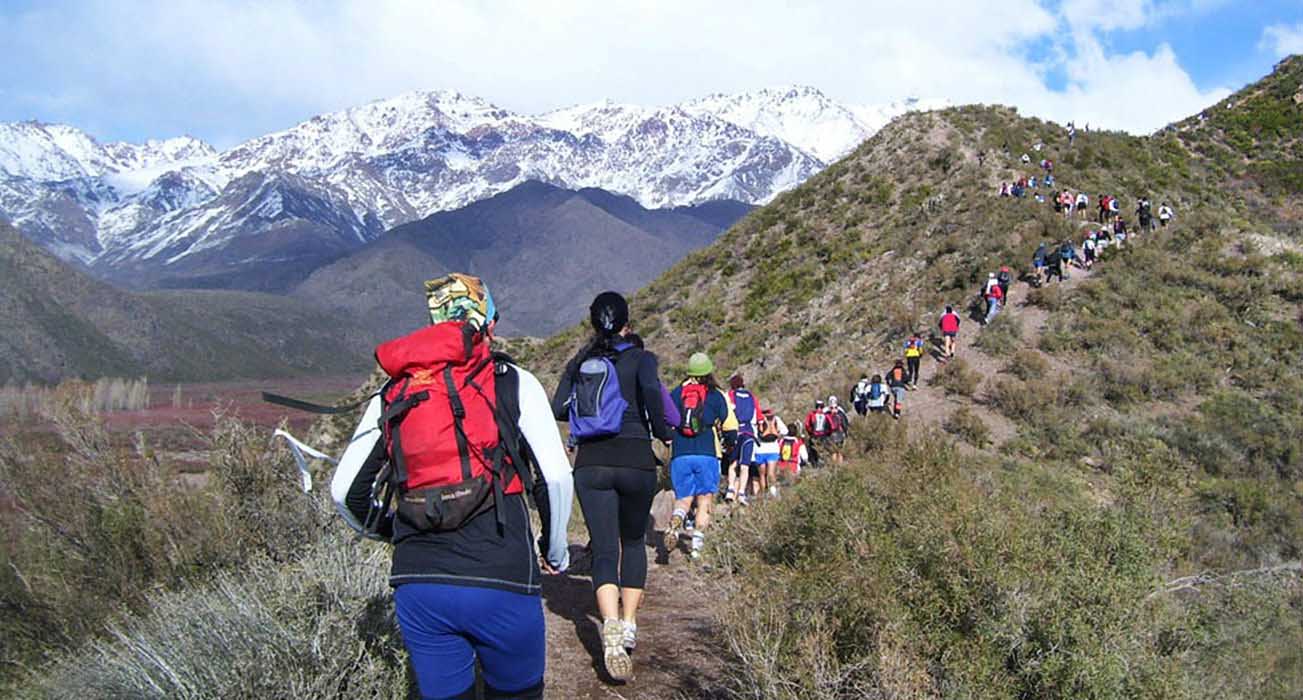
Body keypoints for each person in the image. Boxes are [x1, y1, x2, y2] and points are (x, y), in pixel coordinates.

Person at [333, 273, 573, 700]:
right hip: (503, 578)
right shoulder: (512, 381)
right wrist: (554, 550)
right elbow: (554, 477)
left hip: (420, 584)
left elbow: (345, 492)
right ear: (489, 323)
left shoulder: (394, 391)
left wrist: (394, 532)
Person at [551, 291, 672, 682]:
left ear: (593, 323)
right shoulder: (642, 359)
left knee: (604, 548)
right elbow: (653, 396)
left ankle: (611, 627)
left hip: (591, 465)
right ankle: (630, 621)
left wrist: (588, 415)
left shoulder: (581, 361)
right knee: (633, 542)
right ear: (627, 322)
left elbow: (557, 408)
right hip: (636, 460)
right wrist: (662, 432)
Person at [665, 353, 728, 562]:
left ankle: (677, 518)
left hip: (680, 454)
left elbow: (667, 419)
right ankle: (697, 549)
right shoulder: (715, 395)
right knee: (705, 500)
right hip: (706, 453)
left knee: (684, 499)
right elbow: (728, 423)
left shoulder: (676, 393)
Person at [726, 374, 763, 504]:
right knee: (745, 465)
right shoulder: (752, 397)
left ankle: (730, 490)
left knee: (733, 463)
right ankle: (741, 493)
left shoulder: (731, 394)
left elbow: (727, 411)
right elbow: (759, 417)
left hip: (735, 430)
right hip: (749, 433)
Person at [752, 408, 785, 497]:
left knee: (762, 475)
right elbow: (785, 431)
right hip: (773, 449)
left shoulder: (758, 419)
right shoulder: (776, 419)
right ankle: (773, 493)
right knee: (771, 473)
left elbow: (754, 434)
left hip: (760, 450)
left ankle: (764, 495)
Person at [826, 396, 849, 463]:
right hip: (840, 434)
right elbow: (845, 423)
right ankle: (840, 465)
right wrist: (846, 432)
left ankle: (834, 466)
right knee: (839, 451)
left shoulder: (826, 411)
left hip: (831, 434)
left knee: (833, 451)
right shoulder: (841, 411)